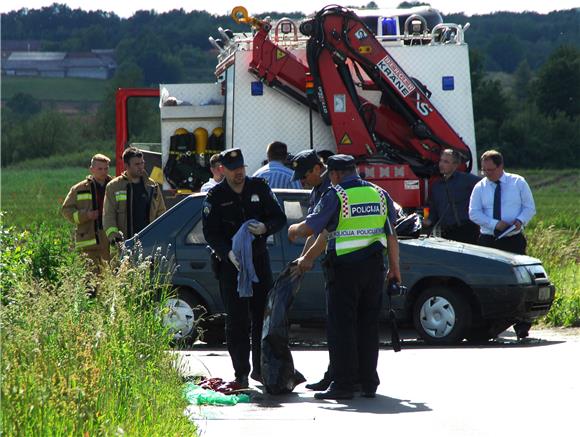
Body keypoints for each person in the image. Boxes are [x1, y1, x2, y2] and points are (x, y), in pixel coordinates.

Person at [288, 154, 401, 400]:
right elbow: (391, 235)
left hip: (344, 270)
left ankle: (343, 385)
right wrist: (395, 270)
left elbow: (312, 228)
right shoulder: (380, 194)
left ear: (336, 174)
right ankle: (367, 382)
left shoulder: (336, 195)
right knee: (368, 327)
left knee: (342, 328)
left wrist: (292, 230)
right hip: (374, 269)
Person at [202, 148, 287, 388]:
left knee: (262, 317)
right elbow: (210, 232)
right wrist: (226, 252)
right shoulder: (215, 196)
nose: (239, 173)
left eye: (241, 169)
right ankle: (241, 372)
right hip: (230, 264)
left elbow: (278, 218)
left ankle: (261, 370)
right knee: (237, 320)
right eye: (234, 170)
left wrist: (264, 228)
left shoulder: (259, 187)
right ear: (223, 170)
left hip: (258, 261)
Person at [469, 149, 536, 338]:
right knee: (488, 279)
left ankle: (522, 323)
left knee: (519, 279)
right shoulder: (480, 187)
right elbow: (473, 213)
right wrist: (494, 224)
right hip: (489, 239)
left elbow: (529, 207)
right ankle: (492, 320)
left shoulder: (518, 182)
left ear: (500, 167)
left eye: (490, 170)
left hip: (513, 238)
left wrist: (519, 221)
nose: (486, 174)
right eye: (484, 170)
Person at [103, 147, 166, 243]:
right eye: (137, 164)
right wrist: (114, 238)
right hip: (125, 243)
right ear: (126, 166)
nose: (141, 167)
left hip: (149, 242)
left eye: (142, 163)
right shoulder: (114, 187)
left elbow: (161, 211)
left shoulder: (152, 185)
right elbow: (108, 215)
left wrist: (158, 234)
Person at [61, 153, 113, 270]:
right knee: (90, 279)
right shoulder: (79, 189)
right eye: (100, 169)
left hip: (108, 239)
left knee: (108, 276)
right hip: (88, 241)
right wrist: (86, 215)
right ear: (91, 169)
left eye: (106, 168)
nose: (104, 172)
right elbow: (66, 210)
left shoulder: (114, 186)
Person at [424, 149, 481, 243]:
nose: (441, 164)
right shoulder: (436, 186)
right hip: (446, 232)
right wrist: (428, 220)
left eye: (446, 162)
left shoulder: (467, 179)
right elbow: (433, 209)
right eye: (441, 160)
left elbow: (486, 186)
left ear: (455, 164)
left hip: (466, 230)